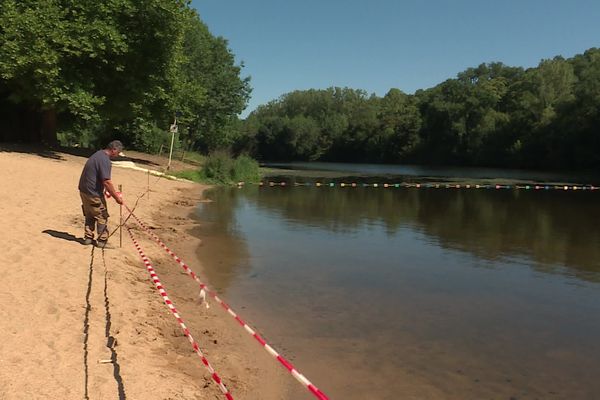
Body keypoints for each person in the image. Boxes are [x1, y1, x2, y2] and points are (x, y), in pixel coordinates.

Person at [78, 140, 124, 247]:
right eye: (118, 153)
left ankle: (88, 238)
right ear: (114, 150)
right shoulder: (105, 160)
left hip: (84, 190)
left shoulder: (97, 154)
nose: (117, 155)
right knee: (102, 215)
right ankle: (102, 241)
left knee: (89, 213)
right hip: (92, 193)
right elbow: (107, 181)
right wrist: (117, 198)